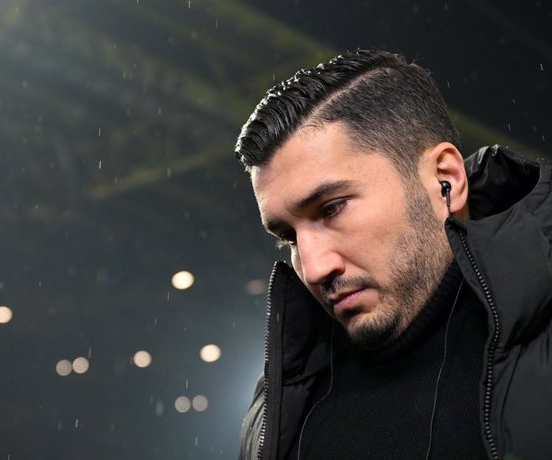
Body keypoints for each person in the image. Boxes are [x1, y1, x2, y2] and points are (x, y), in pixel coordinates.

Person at [234, 49, 552, 460]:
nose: (313, 268)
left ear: (446, 182)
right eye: (289, 237)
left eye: (332, 208)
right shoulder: (279, 412)